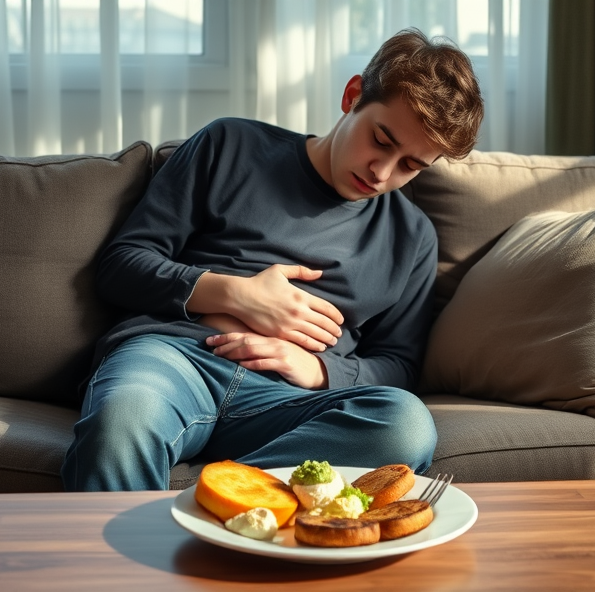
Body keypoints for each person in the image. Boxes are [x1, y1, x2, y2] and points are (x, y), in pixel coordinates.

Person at [61, 28, 483, 491]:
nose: (382, 173)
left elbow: (399, 363)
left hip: (289, 402)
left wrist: (320, 370)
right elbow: (122, 264)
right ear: (353, 95)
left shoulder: (413, 236)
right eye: (381, 140)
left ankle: (217, 497)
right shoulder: (230, 145)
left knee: (405, 425)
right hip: (173, 360)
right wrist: (236, 294)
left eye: (410, 166)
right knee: (123, 420)